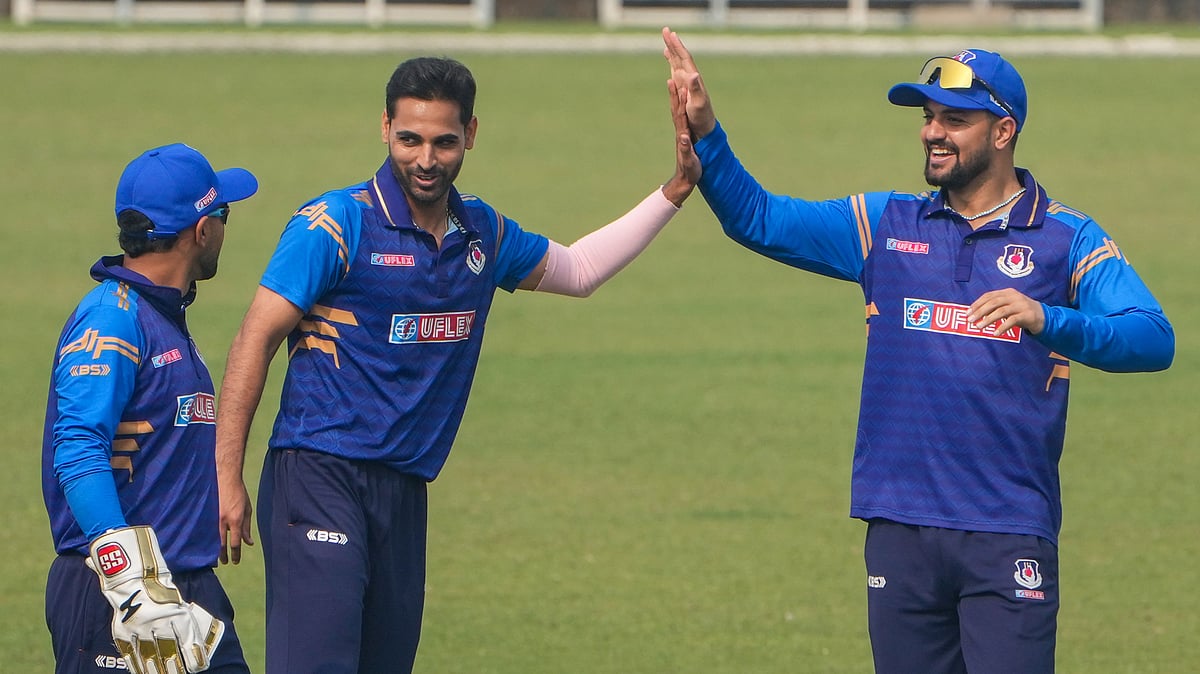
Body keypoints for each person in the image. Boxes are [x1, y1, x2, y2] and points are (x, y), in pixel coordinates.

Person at [662, 28, 1174, 674]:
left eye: (954, 120)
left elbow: (1153, 336)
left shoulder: (1065, 238)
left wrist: (1049, 318)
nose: (932, 132)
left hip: (1007, 531)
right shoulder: (885, 224)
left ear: (1003, 131)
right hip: (900, 530)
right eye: (928, 117)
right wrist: (707, 131)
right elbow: (759, 219)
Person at [213, 56, 699, 673]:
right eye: (410, 139)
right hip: (318, 474)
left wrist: (676, 189)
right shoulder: (336, 225)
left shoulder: (482, 234)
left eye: (444, 142)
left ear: (470, 135)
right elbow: (252, 341)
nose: (425, 159)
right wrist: (227, 476)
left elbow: (579, 271)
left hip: (405, 489)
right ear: (384, 128)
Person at [42, 143, 259, 674]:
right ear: (202, 230)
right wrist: (132, 585)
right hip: (121, 600)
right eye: (223, 214)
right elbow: (76, 450)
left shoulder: (161, 316)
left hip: (189, 588)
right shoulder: (111, 321)